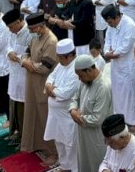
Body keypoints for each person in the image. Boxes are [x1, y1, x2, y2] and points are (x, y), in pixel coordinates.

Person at [20, 11, 58, 156]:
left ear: (41, 26)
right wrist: (25, 61)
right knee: (33, 114)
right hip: (32, 83)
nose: (30, 32)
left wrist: (28, 64)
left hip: (44, 84)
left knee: (46, 118)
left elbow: (44, 68)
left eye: (32, 29)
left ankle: (53, 152)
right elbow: (25, 54)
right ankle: (37, 145)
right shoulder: (35, 38)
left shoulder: (51, 42)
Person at [101, 4, 135, 129]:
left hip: (128, 65)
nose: (110, 24)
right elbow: (107, 40)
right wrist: (106, 52)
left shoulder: (129, 25)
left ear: (116, 17)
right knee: (118, 94)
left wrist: (112, 54)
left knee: (130, 93)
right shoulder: (111, 26)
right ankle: (122, 118)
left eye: (110, 21)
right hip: (116, 66)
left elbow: (126, 47)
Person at [70, 54, 113, 172]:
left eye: (81, 75)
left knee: (97, 164)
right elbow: (75, 97)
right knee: (83, 163)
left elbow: (97, 119)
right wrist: (73, 110)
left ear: (89, 70)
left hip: (96, 136)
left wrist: (79, 117)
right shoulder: (85, 81)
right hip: (83, 133)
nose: (79, 79)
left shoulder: (103, 87)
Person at [45, 38, 79, 172]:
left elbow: (65, 94)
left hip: (67, 115)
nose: (58, 60)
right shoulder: (62, 64)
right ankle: (65, 166)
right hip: (55, 114)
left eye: (60, 57)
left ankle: (76, 168)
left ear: (70, 56)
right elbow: (50, 77)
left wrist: (51, 90)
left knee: (71, 144)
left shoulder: (76, 69)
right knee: (59, 141)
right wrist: (49, 86)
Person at [4, 8, 31, 138]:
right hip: (14, 74)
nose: (9, 30)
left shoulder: (29, 33)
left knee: (23, 106)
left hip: (25, 76)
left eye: (11, 26)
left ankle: (25, 135)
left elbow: (31, 56)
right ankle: (17, 131)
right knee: (14, 102)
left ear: (19, 22)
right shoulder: (12, 32)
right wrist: (9, 52)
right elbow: (8, 45)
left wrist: (18, 58)